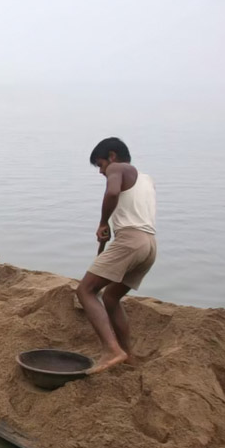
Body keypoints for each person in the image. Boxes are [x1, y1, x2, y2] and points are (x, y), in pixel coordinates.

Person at [75, 138, 157, 374]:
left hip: (131, 242)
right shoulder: (147, 179)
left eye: (100, 165)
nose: (102, 172)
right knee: (110, 298)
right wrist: (113, 227)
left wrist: (103, 222)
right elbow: (132, 210)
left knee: (85, 291)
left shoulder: (117, 168)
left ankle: (112, 349)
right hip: (149, 245)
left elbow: (112, 192)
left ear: (111, 156)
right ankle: (128, 355)